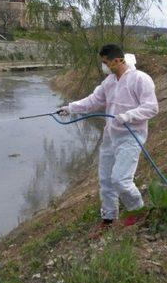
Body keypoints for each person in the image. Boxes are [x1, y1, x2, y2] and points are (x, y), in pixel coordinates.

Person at [58, 44, 158, 232]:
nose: (104, 66)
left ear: (118, 60)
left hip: (131, 136)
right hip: (110, 137)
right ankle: (109, 218)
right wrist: (70, 108)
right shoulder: (109, 82)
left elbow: (152, 107)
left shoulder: (140, 79)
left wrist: (129, 116)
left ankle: (137, 211)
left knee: (120, 179)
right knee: (106, 180)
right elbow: (93, 101)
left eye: (106, 62)